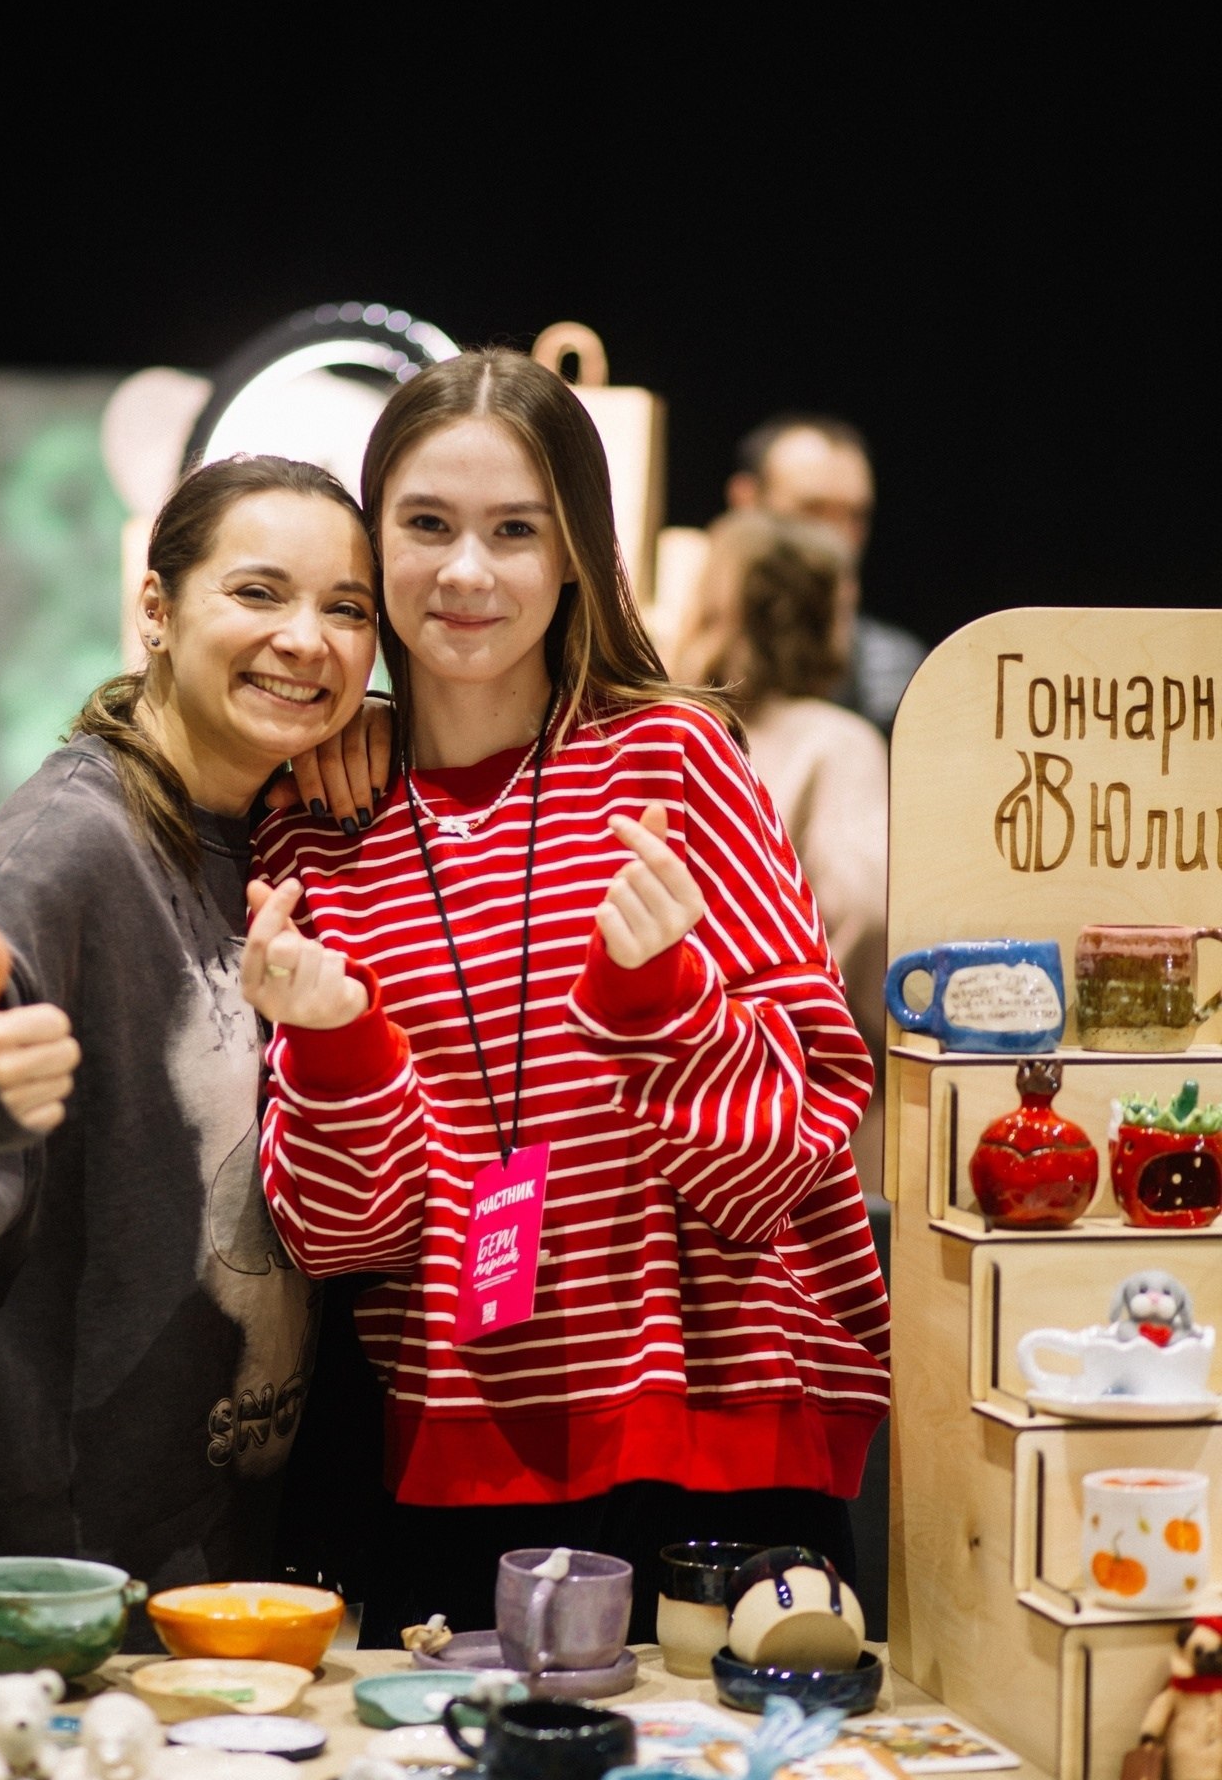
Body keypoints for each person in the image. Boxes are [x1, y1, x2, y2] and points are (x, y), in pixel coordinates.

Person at [244, 351, 891, 1645]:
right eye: (426, 525)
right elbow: (343, 1238)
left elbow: (793, 1158)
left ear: (578, 554)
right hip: (458, 1461)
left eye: (515, 530)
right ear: (374, 548)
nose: (468, 572)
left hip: (731, 1449)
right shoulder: (319, 825)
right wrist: (340, 1044)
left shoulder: (674, 760)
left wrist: (662, 1003)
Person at [0, 454, 386, 1655]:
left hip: (212, 1586)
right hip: (42, 1608)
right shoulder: (69, 846)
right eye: (259, 593)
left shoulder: (281, 836)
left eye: (347, 608)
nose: (308, 641)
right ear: (159, 610)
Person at [671, 511, 889, 1190]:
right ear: (823, 616)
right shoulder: (837, 742)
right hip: (805, 1121)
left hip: (684, 1102)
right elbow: (864, 908)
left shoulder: (674, 731)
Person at [727, 413, 925, 736]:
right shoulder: (668, 640)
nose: (837, 539)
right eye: (812, 510)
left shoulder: (892, 677)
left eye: (854, 516)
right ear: (745, 501)